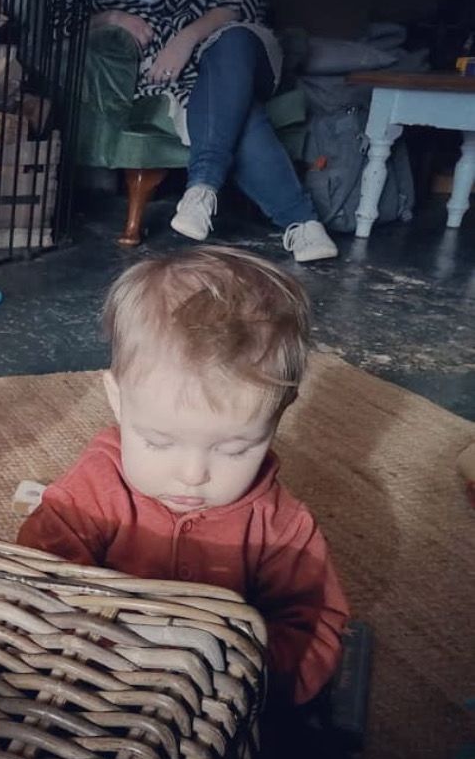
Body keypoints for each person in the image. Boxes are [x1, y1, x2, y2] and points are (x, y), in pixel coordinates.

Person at [17, 246, 348, 706]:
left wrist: (246, 679)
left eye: (234, 449)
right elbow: (36, 577)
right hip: (96, 678)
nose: (193, 476)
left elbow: (315, 625)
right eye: (159, 441)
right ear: (117, 399)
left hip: (210, 700)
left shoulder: (282, 528)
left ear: (278, 417)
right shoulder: (91, 490)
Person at [86, 0, 339, 263]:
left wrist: (186, 38)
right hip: (168, 74)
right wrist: (112, 17)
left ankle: (203, 184)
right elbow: (63, 19)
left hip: (233, 48)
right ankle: (304, 224)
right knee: (233, 109)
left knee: (233, 46)